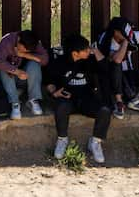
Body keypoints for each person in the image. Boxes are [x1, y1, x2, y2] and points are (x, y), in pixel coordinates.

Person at [45, 34, 112, 165]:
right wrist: (55, 92)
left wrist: (95, 51)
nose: (89, 51)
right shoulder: (59, 63)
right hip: (67, 99)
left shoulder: (90, 60)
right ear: (75, 53)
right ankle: (62, 139)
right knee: (61, 107)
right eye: (86, 50)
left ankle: (95, 142)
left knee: (105, 111)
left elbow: (106, 68)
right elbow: (49, 82)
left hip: (86, 99)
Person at [95, 17, 139, 118]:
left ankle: (138, 93)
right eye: (124, 33)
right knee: (116, 65)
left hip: (130, 74)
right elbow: (117, 60)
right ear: (116, 32)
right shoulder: (105, 39)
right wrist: (126, 42)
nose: (128, 36)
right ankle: (132, 99)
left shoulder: (132, 35)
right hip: (115, 78)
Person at [0, 29, 48, 119]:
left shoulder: (34, 43)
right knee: (4, 69)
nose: (26, 50)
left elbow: (45, 60)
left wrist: (24, 55)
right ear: (18, 39)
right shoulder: (7, 41)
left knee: (35, 64)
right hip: (9, 79)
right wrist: (16, 71)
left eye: (28, 50)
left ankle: (33, 100)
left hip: (26, 78)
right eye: (24, 48)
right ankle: (15, 103)